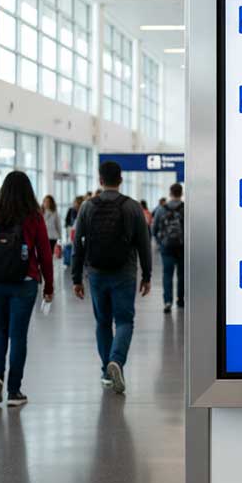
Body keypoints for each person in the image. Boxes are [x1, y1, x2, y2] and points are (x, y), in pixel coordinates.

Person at [0, 171, 54, 407]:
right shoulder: (33, 216)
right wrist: (49, 286)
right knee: (18, 336)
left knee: (0, 330)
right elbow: (45, 255)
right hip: (25, 283)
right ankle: (14, 391)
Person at [72, 161, 152, 394]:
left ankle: (107, 371)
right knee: (125, 321)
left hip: (96, 272)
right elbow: (144, 245)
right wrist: (146, 275)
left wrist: (76, 278)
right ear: (121, 180)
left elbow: (78, 245)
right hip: (124, 272)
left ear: (100, 180)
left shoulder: (87, 207)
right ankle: (116, 360)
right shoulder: (133, 207)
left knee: (103, 322)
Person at [152, 184, 185, 314]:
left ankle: (167, 302)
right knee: (182, 275)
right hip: (182, 247)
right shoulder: (186, 208)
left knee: (167, 275)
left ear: (170, 193)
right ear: (181, 193)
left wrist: (161, 243)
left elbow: (154, 229)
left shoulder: (161, 209)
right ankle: (180, 300)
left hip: (166, 247)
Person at [63, 195, 84, 267]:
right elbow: (67, 221)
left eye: (78, 203)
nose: (76, 204)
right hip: (72, 231)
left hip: (79, 234)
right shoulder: (71, 210)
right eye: (75, 202)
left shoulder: (83, 211)